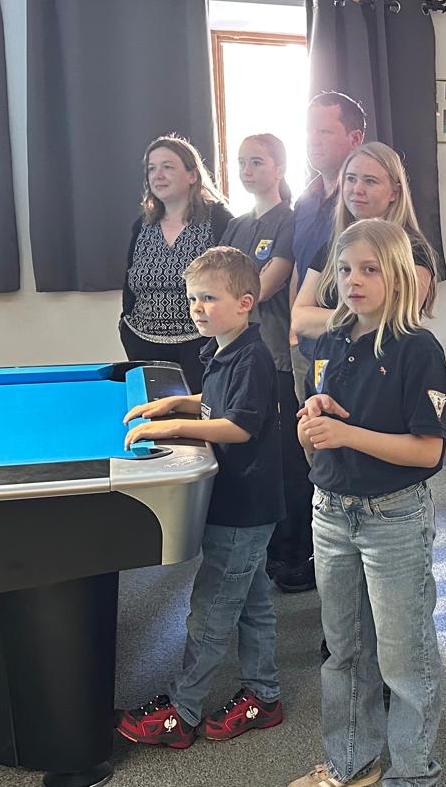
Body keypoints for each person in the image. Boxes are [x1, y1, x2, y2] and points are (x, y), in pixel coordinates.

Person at [289, 219, 446, 787]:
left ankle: (412, 774)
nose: (352, 281)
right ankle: (350, 763)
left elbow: (428, 450)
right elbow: (317, 431)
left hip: (393, 517)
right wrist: (312, 424)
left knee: (404, 658)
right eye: (344, 269)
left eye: (369, 269)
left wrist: (348, 435)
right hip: (331, 510)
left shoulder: (418, 348)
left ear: (399, 276)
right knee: (345, 651)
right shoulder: (330, 341)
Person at [115, 246, 285, 748]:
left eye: (209, 298)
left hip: (244, 508)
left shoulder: (253, 358)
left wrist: (174, 426)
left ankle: (183, 710)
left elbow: (238, 425)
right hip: (240, 504)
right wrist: (175, 403)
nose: (197, 308)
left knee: (211, 611)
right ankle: (264, 695)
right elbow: (218, 402)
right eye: (193, 299)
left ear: (245, 302)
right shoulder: (224, 348)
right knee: (252, 604)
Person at [220, 134, 314, 591]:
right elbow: (214, 287)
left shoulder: (290, 221)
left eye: (257, 162)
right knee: (250, 459)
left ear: (279, 168)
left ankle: (294, 555)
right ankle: (260, 551)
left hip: (275, 357)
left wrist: (229, 295)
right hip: (236, 356)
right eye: (242, 162)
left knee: (287, 463)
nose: (247, 170)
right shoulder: (235, 226)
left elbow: (263, 286)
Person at [289, 141, 438, 340]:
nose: (357, 189)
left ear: (394, 192)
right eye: (351, 179)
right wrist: (361, 319)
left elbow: (393, 321)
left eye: (370, 181)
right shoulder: (335, 245)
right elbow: (299, 319)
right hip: (325, 357)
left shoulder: (413, 249)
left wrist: (329, 321)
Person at [120, 134, 234, 392]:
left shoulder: (218, 220)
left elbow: (232, 281)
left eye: (168, 167)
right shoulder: (142, 225)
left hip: (202, 346)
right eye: (152, 168)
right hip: (143, 344)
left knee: (201, 412)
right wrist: (126, 324)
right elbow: (130, 284)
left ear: (192, 175)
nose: (158, 175)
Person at [290, 91, 368, 407]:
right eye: (309, 130)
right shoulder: (304, 201)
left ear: (355, 138)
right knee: (310, 432)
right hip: (306, 346)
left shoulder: (362, 204)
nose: (313, 140)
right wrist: (293, 333)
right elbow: (298, 267)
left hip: (352, 349)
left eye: (324, 131)